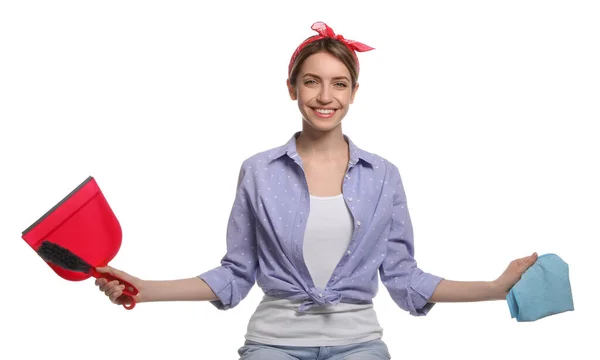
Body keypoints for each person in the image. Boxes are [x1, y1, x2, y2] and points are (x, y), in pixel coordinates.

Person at [95, 21, 538, 359]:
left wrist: (497, 288)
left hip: (358, 344)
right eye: (312, 81)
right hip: (273, 344)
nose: (325, 95)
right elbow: (235, 273)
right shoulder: (259, 172)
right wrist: (144, 288)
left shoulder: (384, 176)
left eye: (339, 83)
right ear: (292, 88)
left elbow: (405, 278)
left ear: (354, 92)